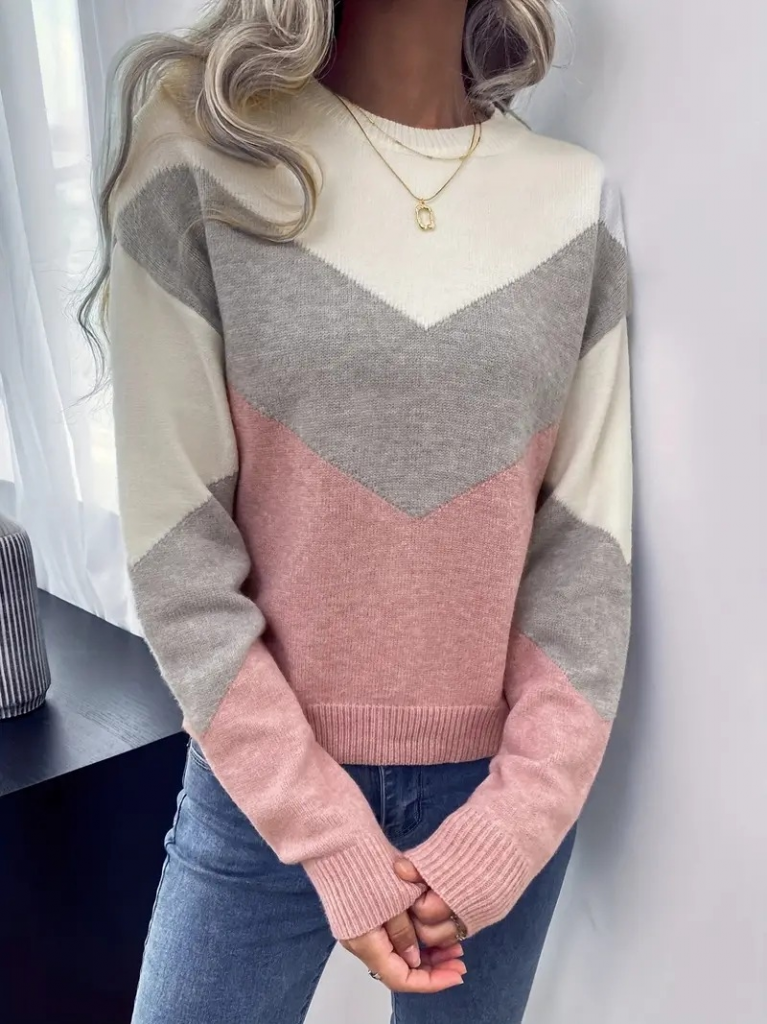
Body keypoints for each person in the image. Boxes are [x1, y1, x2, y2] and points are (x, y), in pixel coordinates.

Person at [80, 1, 633, 1021]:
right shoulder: (199, 160)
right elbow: (177, 557)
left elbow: (583, 563)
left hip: (497, 802)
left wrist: (509, 828)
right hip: (259, 791)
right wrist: (326, 834)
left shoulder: (570, 201)